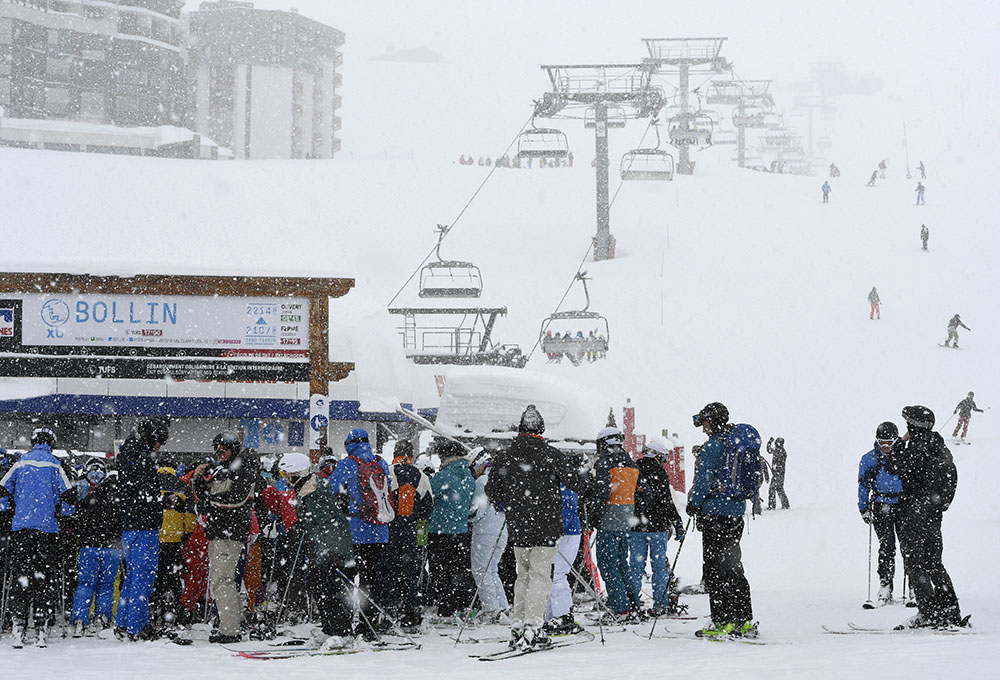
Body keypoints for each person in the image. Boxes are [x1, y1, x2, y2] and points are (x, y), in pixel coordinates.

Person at [485, 404, 587, 650]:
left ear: (520, 429)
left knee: (523, 575)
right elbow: (576, 483)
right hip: (546, 524)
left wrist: (507, 500)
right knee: (541, 575)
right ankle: (533, 626)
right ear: (541, 429)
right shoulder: (551, 454)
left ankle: (518, 625)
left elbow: (491, 489)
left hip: (519, 525)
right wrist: (588, 482)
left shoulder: (506, 455)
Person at [886, 406, 964, 628]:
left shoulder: (914, 449)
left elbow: (892, 466)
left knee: (915, 564)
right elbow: (951, 476)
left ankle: (928, 612)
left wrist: (900, 443)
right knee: (934, 563)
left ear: (913, 425)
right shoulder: (939, 446)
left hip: (913, 514)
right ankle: (950, 609)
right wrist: (940, 505)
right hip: (932, 517)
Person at [0, 427, 75, 648]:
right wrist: (64, 513)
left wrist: (9, 511)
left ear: (33, 442)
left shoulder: (21, 462)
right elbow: (69, 496)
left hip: (21, 527)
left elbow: (2, 489)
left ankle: (18, 623)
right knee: (43, 577)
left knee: (21, 574)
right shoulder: (55, 464)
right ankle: (41, 624)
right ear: (51, 442)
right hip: (47, 529)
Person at [686, 402, 756, 638]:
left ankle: (722, 621)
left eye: (705, 423)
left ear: (712, 422)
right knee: (733, 566)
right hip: (736, 513)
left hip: (715, 514)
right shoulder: (737, 443)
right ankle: (743, 620)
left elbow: (704, 479)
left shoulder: (713, 446)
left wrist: (694, 503)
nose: (704, 428)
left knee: (715, 569)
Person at [278, 453, 356, 651]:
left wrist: (330, 552)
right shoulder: (306, 489)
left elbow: (328, 525)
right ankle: (330, 628)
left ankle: (342, 633)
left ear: (300, 474)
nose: (286, 480)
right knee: (317, 585)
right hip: (322, 547)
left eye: (289, 475)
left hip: (333, 548)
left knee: (333, 590)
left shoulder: (314, 492)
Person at [191, 431, 260, 644]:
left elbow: (236, 498)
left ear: (233, 450)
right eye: (217, 450)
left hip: (229, 532)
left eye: (224, 450)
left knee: (222, 581)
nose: (220, 454)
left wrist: (210, 500)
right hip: (220, 531)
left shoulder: (242, 467)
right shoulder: (226, 469)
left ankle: (230, 630)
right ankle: (235, 622)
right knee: (221, 581)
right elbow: (204, 495)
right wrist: (199, 479)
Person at [329, 427, 392, 639]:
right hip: (380, 530)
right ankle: (369, 626)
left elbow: (331, 490)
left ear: (349, 444)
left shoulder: (347, 464)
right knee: (371, 580)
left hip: (353, 531)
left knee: (346, 580)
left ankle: (344, 625)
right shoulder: (381, 463)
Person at [115, 418, 169, 641]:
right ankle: (137, 627)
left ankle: (123, 623)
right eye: (159, 441)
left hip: (129, 526)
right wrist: (163, 500)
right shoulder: (143, 458)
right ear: (151, 438)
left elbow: (132, 491)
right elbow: (147, 492)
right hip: (145, 525)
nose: (160, 446)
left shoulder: (126, 454)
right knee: (143, 578)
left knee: (132, 577)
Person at [589, 426, 643, 623]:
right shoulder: (631, 463)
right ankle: (632, 604)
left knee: (608, 564)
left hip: (609, 519)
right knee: (622, 563)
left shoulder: (605, 463)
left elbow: (602, 492)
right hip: (626, 519)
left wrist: (594, 513)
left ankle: (620, 608)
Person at [630, 439, 685, 616]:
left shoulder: (633, 470)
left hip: (637, 526)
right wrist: (677, 523)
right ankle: (661, 602)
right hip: (658, 527)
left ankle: (633, 603)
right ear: (657, 455)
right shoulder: (659, 474)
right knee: (659, 567)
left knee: (636, 567)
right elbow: (667, 502)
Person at [384, 439, 434, 631]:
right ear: (411, 455)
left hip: (388, 528)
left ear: (395, 453)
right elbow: (428, 507)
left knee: (388, 570)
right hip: (409, 529)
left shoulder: (386, 471)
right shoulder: (421, 476)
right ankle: (412, 612)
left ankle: (389, 610)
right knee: (410, 571)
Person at [70, 458, 121, 637]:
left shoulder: (84, 496)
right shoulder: (117, 495)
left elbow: (74, 520)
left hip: (87, 547)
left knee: (85, 584)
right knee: (107, 586)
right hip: (112, 548)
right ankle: (102, 618)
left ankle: (79, 619)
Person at [427, 438, 476, 620]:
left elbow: (428, 496)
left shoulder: (444, 476)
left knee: (440, 570)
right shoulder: (469, 477)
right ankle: (462, 605)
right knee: (459, 570)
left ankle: (445, 608)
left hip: (440, 530)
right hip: (462, 530)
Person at [858, 422, 905, 604]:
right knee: (887, 546)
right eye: (881, 442)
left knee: (908, 547)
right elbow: (863, 485)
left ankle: (913, 586)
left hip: (903, 505)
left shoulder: (904, 456)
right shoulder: (869, 459)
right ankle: (885, 584)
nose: (885, 446)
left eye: (889, 442)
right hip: (880, 504)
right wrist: (863, 508)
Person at [151, 457, 196, 629]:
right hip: (174, 540)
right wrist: (184, 534)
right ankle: (175, 612)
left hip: (152, 538)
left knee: (154, 578)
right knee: (173, 578)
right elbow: (190, 518)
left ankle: (154, 612)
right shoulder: (182, 486)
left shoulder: (151, 482)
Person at [469, 449, 509, 623]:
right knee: (492, 570)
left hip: (485, 532)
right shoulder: (505, 480)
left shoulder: (483, 481)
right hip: (502, 530)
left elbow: (478, 510)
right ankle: (502, 606)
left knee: (481, 571)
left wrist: (468, 517)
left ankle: (491, 609)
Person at [545, 477, 584, 633]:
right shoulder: (556, 484)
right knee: (550, 574)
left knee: (558, 574)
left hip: (567, 534)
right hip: (563, 532)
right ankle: (551, 616)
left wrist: (555, 531)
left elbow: (567, 510)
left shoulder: (562, 485)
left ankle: (563, 616)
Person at [765, 437, 790, 510]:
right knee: (780, 489)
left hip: (777, 474)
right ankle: (785, 505)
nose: (775, 444)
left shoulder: (779, 451)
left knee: (772, 489)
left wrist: (769, 442)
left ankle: (772, 506)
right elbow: (770, 451)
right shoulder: (782, 451)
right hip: (780, 474)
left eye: (776, 442)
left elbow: (769, 450)